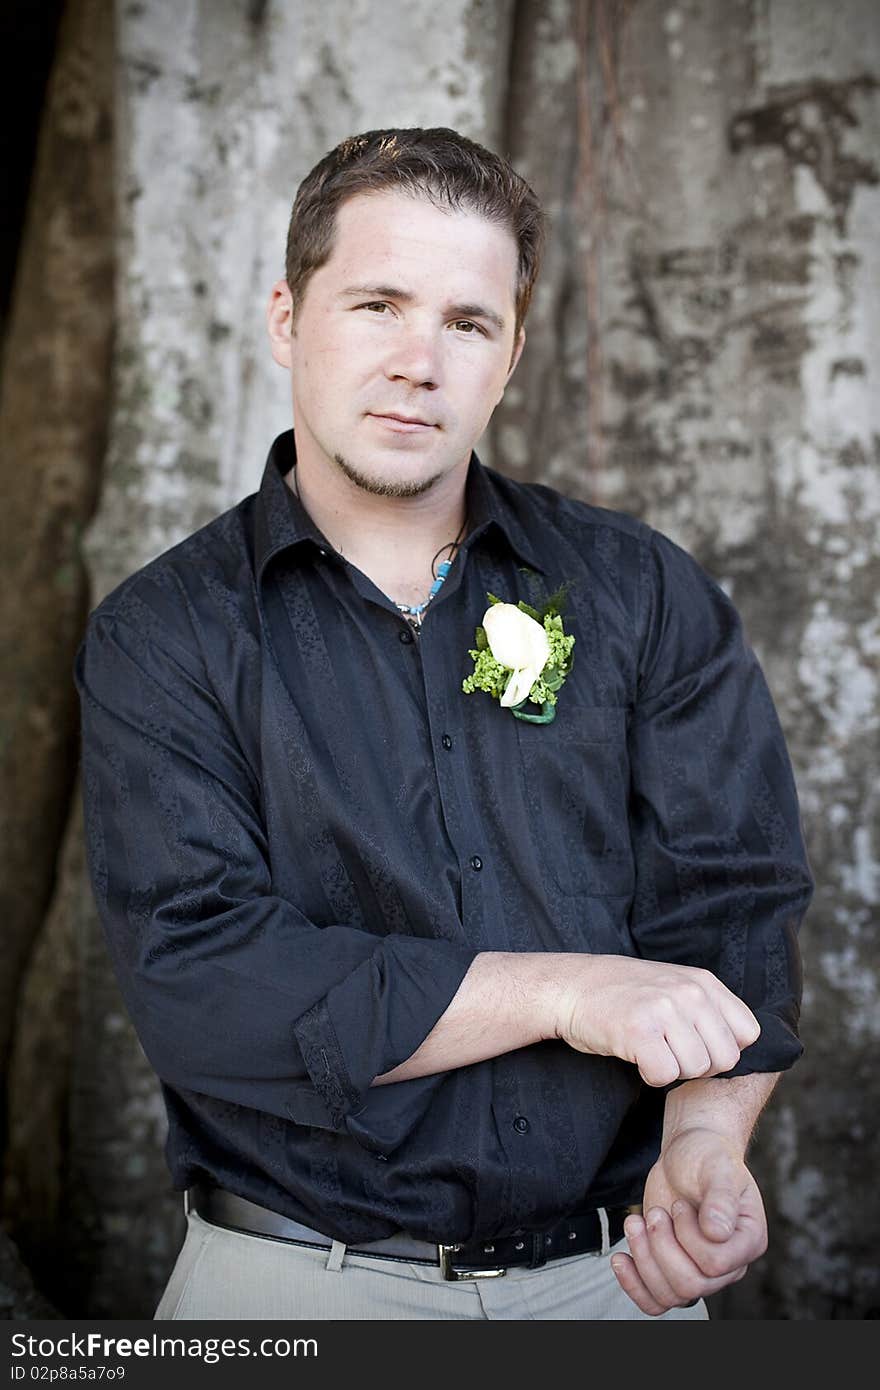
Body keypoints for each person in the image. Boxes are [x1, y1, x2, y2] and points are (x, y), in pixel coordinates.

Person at [73, 126, 814, 1322]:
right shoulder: (163, 635)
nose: (420, 361)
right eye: (376, 304)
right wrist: (564, 991)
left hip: (614, 1277)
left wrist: (706, 1139)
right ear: (286, 317)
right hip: (292, 1283)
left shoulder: (638, 592)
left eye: (467, 323)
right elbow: (207, 980)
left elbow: (731, 898)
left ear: (510, 354)